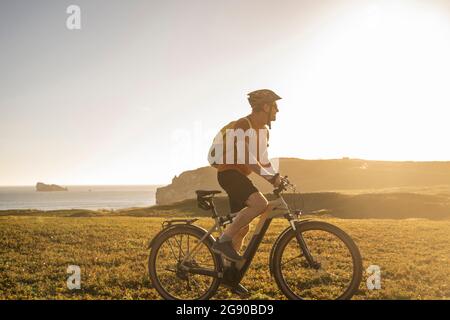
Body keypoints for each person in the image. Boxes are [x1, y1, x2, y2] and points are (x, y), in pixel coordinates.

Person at [212, 89, 282, 263]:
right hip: (229, 174)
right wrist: (269, 177)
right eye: (275, 106)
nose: (277, 111)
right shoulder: (243, 124)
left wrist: (275, 177)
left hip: (240, 176)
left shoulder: (264, 131)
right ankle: (222, 242)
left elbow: (263, 160)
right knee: (260, 204)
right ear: (265, 107)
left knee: (242, 229)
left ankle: (230, 272)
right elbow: (246, 157)